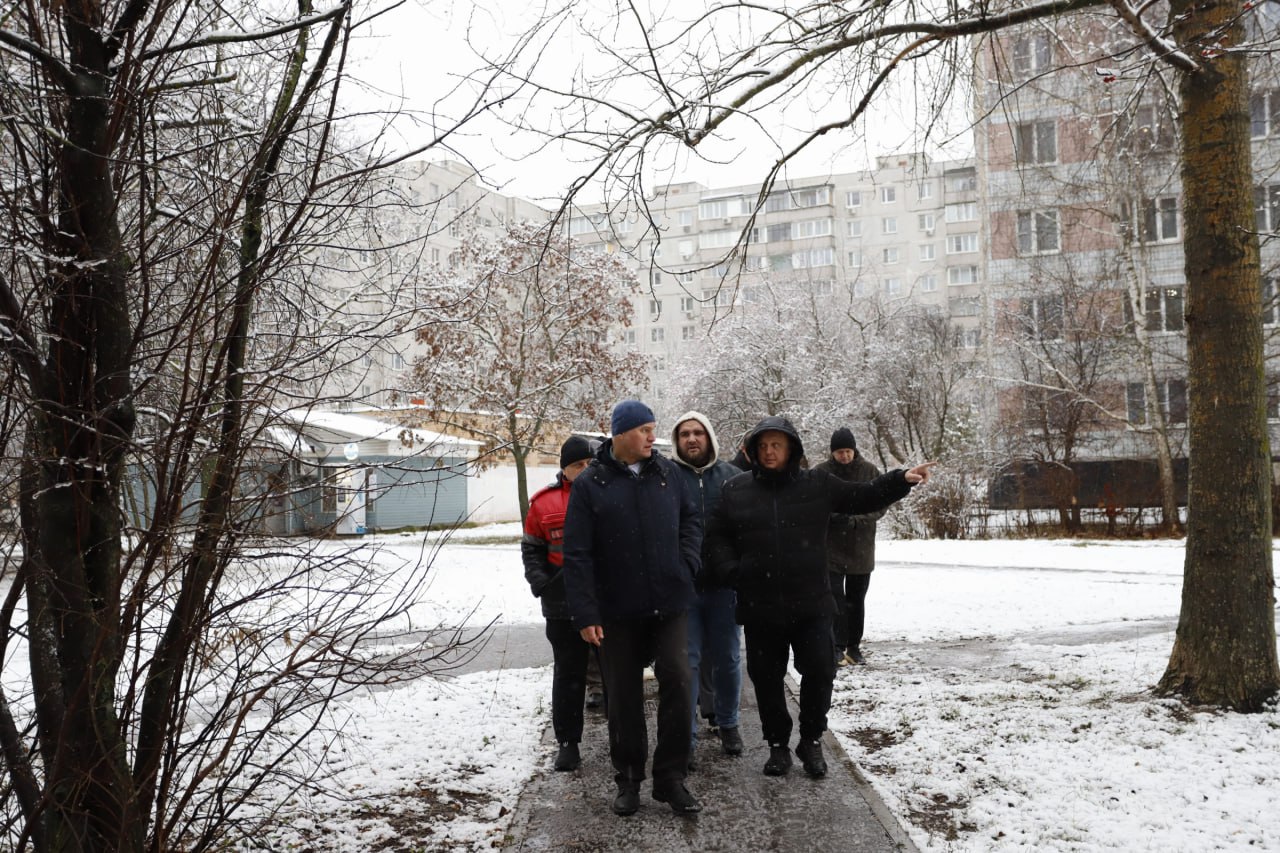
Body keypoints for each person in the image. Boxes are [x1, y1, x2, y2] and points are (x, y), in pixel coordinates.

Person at [704, 416, 934, 779]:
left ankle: (811, 739)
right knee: (766, 678)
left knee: (821, 671)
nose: (769, 452)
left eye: (776, 445)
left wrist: (900, 479)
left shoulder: (816, 484)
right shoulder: (736, 490)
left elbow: (863, 496)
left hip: (810, 602)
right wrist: (732, 571)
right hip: (760, 606)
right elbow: (716, 536)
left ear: (791, 448)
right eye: (763, 446)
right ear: (753, 451)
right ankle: (777, 745)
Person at [563, 400, 703, 817]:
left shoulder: (669, 474)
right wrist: (586, 613)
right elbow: (577, 553)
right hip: (616, 609)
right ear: (620, 434)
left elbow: (691, 521)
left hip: (669, 600)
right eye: (644, 430)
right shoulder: (591, 483)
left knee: (678, 678)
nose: (651, 437)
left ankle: (671, 778)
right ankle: (628, 778)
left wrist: (686, 564)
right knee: (623, 694)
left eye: (652, 429)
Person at [670, 412, 744, 765]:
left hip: (723, 587)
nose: (692, 439)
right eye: (685, 433)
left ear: (709, 437)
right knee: (687, 663)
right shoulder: (667, 477)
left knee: (728, 658)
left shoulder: (732, 477)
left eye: (698, 432)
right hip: (683, 588)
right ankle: (686, 736)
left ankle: (728, 722)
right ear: (677, 440)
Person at [521, 435, 597, 772]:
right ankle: (568, 743)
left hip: (606, 602)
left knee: (617, 674)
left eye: (590, 464)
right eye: (578, 465)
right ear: (564, 468)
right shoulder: (543, 503)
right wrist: (542, 584)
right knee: (568, 674)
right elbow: (531, 550)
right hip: (562, 605)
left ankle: (622, 740)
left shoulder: (610, 495)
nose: (585, 470)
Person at [815, 427, 885, 667]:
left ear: (854, 450)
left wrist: (856, 520)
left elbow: (881, 504)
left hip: (860, 547)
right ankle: (836, 646)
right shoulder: (821, 473)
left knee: (856, 600)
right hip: (830, 548)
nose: (844, 456)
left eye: (847, 451)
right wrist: (829, 517)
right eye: (839, 452)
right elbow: (810, 503)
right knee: (834, 599)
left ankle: (854, 647)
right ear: (832, 452)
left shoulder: (869, 471)